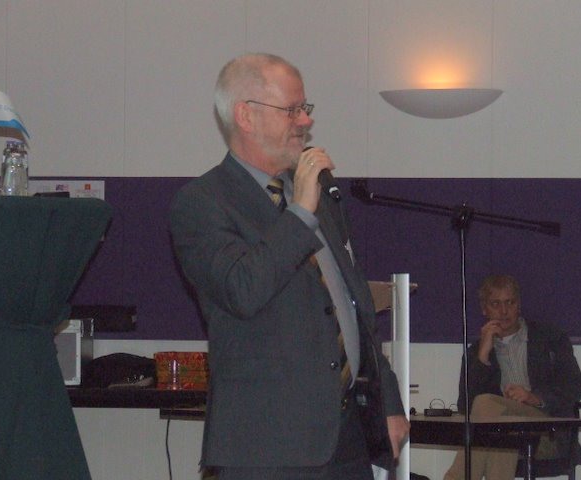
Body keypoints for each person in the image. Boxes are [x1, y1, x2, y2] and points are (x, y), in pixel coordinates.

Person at [170, 52, 409, 480]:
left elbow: (353, 304)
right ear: (246, 115)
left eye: (305, 108)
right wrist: (299, 212)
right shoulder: (203, 203)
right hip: (267, 448)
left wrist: (387, 400)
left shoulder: (317, 195)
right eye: (292, 109)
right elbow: (243, 289)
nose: (305, 121)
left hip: (347, 440)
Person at [444, 274, 581, 480]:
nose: (504, 311)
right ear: (484, 309)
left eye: (510, 302)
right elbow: (467, 408)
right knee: (500, 433)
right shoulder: (476, 352)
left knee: (488, 407)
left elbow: (573, 386)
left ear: (519, 305)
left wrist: (534, 397)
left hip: (547, 431)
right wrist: (482, 358)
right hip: (503, 430)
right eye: (496, 304)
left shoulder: (550, 338)